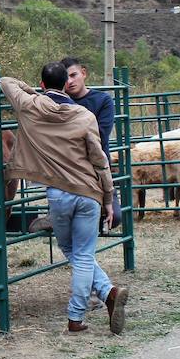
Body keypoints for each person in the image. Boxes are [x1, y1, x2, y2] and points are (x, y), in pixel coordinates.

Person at [0, 63, 129, 335]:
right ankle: (105, 296)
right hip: (90, 193)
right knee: (84, 254)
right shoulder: (84, 115)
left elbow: (6, 81)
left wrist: (34, 91)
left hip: (58, 195)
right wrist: (108, 198)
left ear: (43, 85)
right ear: (65, 84)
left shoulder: (30, 106)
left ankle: (85, 311)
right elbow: (100, 160)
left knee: (73, 252)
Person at [61, 56, 118, 230]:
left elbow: (101, 135)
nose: (70, 81)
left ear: (83, 73)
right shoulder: (58, 102)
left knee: (116, 218)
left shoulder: (103, 101)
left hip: (96, 169)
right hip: (68, 171)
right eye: (65, 78)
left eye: (73, 75)